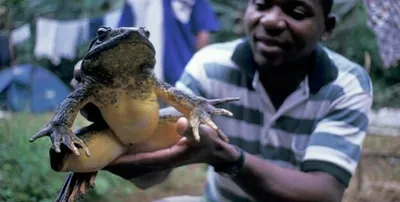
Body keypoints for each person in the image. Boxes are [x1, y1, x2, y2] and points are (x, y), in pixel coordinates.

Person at [74, 0, 373, 201]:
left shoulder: (346, 84)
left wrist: (224, 156)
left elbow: (325, 193)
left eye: (296, 11)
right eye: (262, 4)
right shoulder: (208, 65)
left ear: (328, 27)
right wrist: (120, 131)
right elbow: (152, 174)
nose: (271, 21)